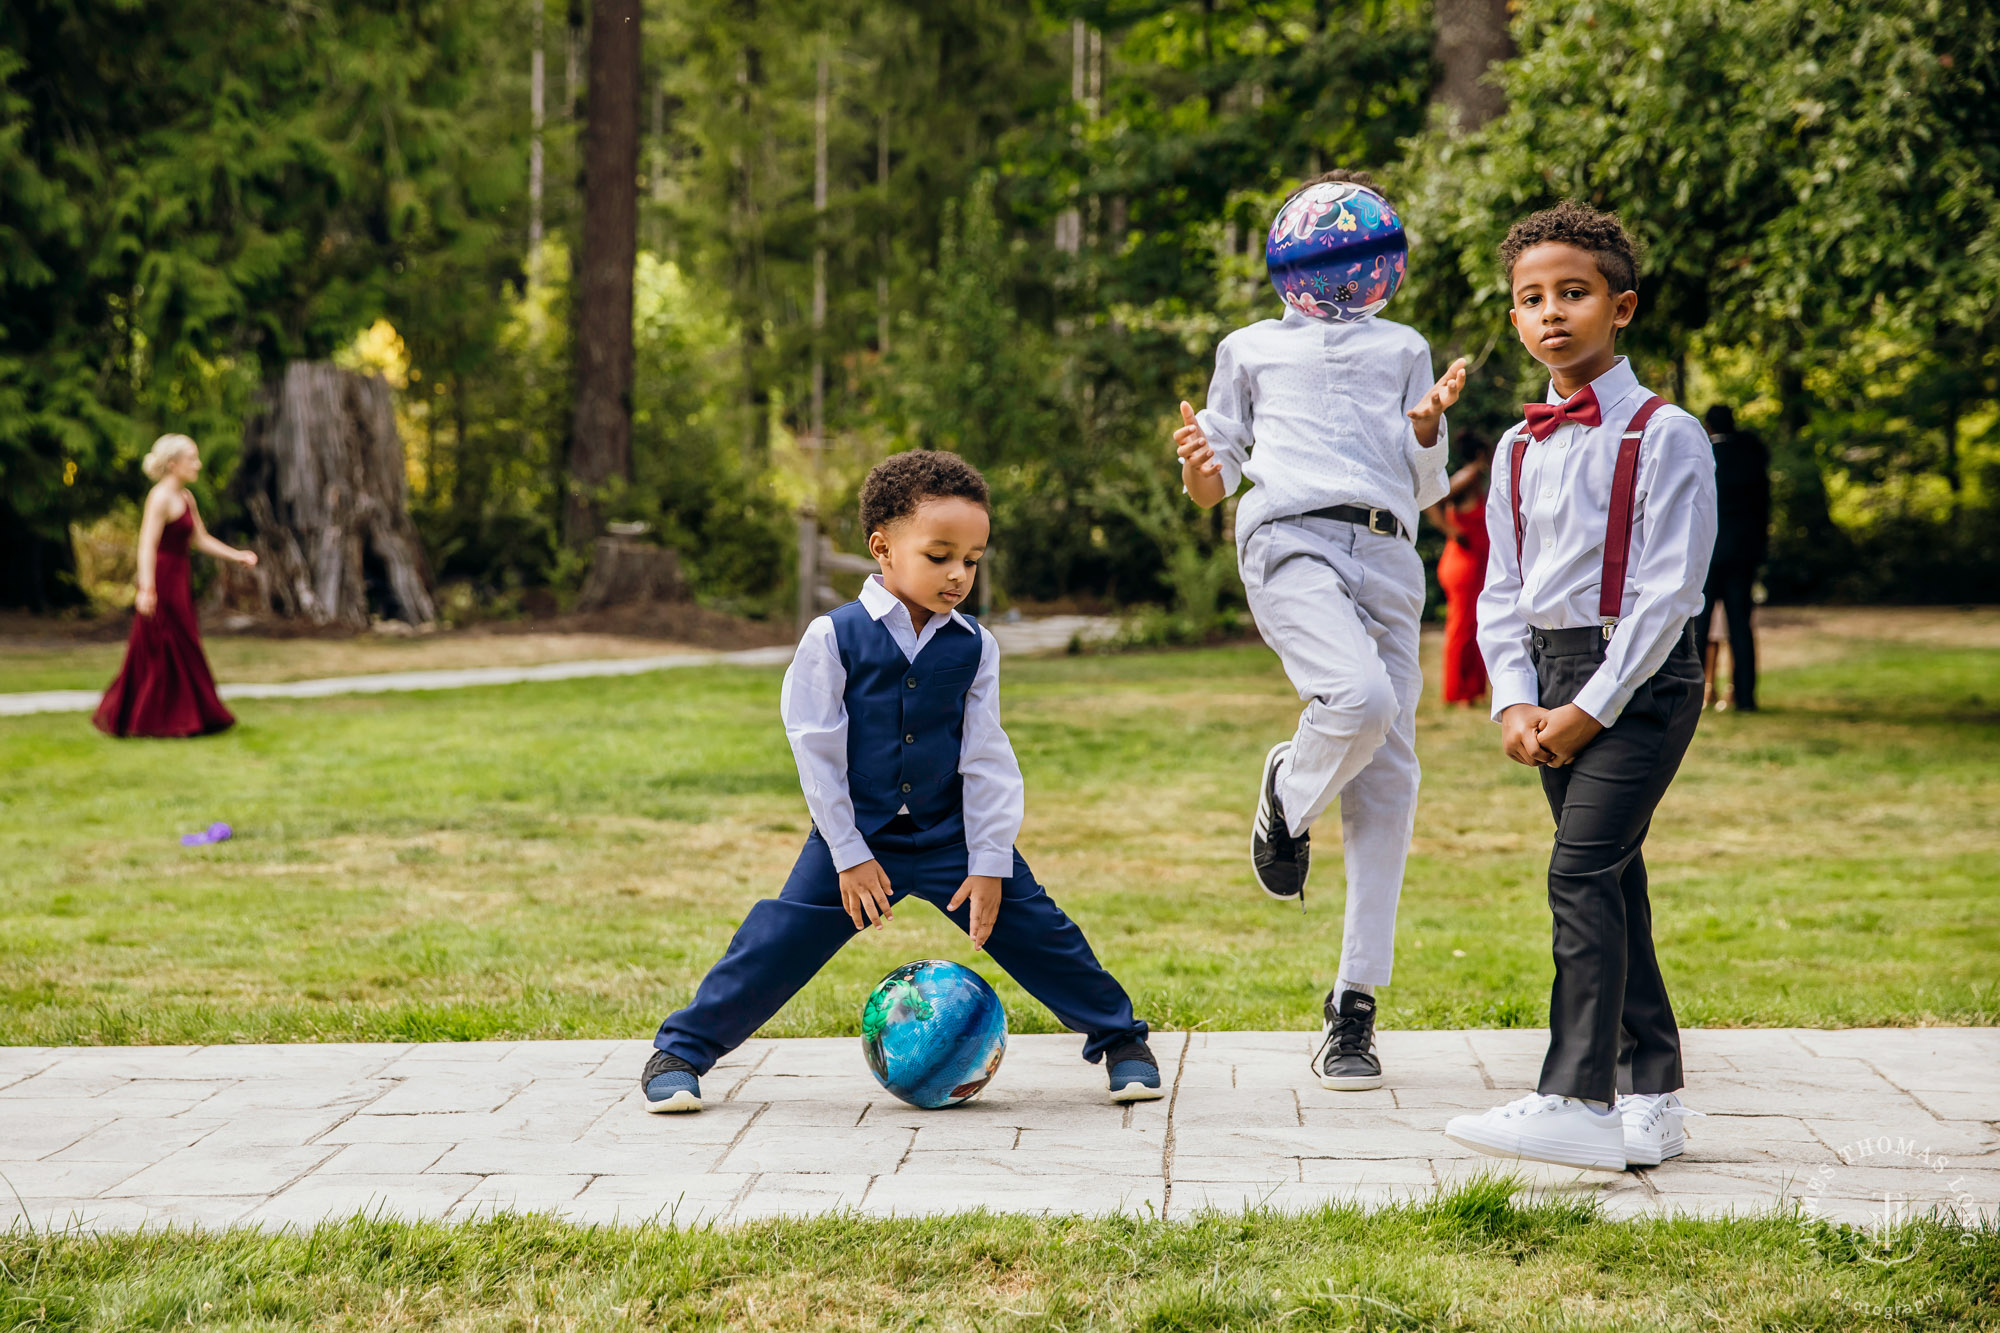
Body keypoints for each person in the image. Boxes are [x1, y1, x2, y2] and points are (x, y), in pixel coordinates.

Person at [642, 450, 1162, 1113]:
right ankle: (680, 1052)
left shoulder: (976, 644)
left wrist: (990, 860)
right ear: (883, 548)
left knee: (1041, 932)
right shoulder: (832, 636)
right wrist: (849, 853)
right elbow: (816, 751)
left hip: (953, 836)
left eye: (972, 560)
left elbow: (987, 758)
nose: (958, 574)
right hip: (856, 837)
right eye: (940, 554)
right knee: (775, 942)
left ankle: (1122, 1041)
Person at [1173, 167, 1467, 1092]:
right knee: (1357, 697)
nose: (1340, 265)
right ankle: (1286, 794)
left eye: (1355, 251)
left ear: (1380, 262)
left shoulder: (1406, 347)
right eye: (1322, 247)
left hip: (1388, 551)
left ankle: (1353, 1004)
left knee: (1389, 771)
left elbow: (1426, 486)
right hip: (1288, 535)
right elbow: (1214, 479)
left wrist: (1424, 429)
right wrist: (1195, 463)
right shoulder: (1249, 347)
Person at [1444, 201, 1715, 1172]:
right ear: (1514, 317)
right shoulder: (1517, 449)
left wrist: (1587, 706)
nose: (1550, 312)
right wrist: (1514, 699)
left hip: (1637, 681)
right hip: (1550, 675)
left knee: (1578, 871)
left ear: (1620, 305)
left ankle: (1575, 1097)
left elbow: (1668, 591)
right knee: (1612, 878)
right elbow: (1499, 589)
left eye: (1572, 292)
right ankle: (1653, 1093)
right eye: (1530, 298)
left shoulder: (1664, 432)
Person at [93, 434, 258, 739]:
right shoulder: (159, 498)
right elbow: (147, 545)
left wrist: (237, 556)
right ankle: (149, 719)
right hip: (161, 577)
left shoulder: (185, 498)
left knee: (184, 643)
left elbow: (200, 539)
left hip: (179, 576)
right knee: (159, 644)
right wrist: (146, 588)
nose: (198, 464)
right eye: (192, 458)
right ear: (173, 464)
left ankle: (187, 717)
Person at [1691, 404, 1769, 712]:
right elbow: (1763, 510)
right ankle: (1746, 696)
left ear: (1708, 425)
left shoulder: (1703, 458)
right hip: (1742, 555)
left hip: (1707, 555)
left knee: (1699, 627)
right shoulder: (1752, 458)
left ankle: (1694, 696)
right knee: (1740, 627)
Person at [1427, 434, 1493, 707]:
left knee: (1474, 626)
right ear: (1479, 454)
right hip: (1463, 563)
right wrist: (1452, 531)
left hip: (1476, 563)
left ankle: (1472, 692)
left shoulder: (1476, 479)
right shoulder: (1468, 475)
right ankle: (1456, 692)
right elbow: (1432, 502)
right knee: (1462, 628)